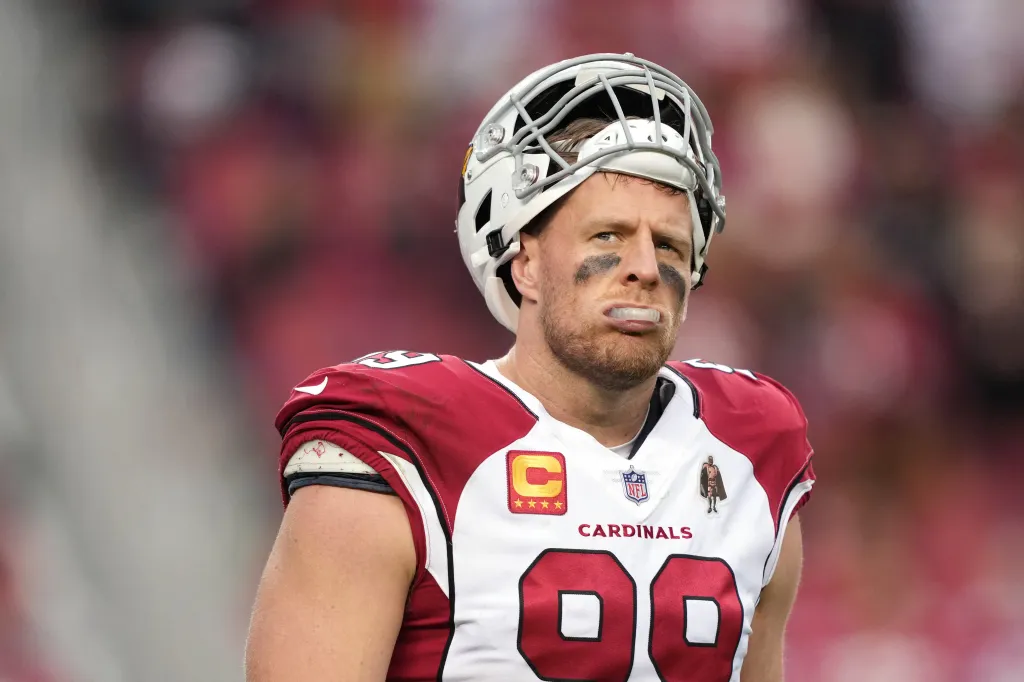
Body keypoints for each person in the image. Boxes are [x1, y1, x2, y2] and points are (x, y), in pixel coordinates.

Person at [246, 53, 816, 682]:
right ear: (525, 265)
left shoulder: (751, 451)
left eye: (670, 245)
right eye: (608, 236)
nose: (645, 268)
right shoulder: (405, 443)